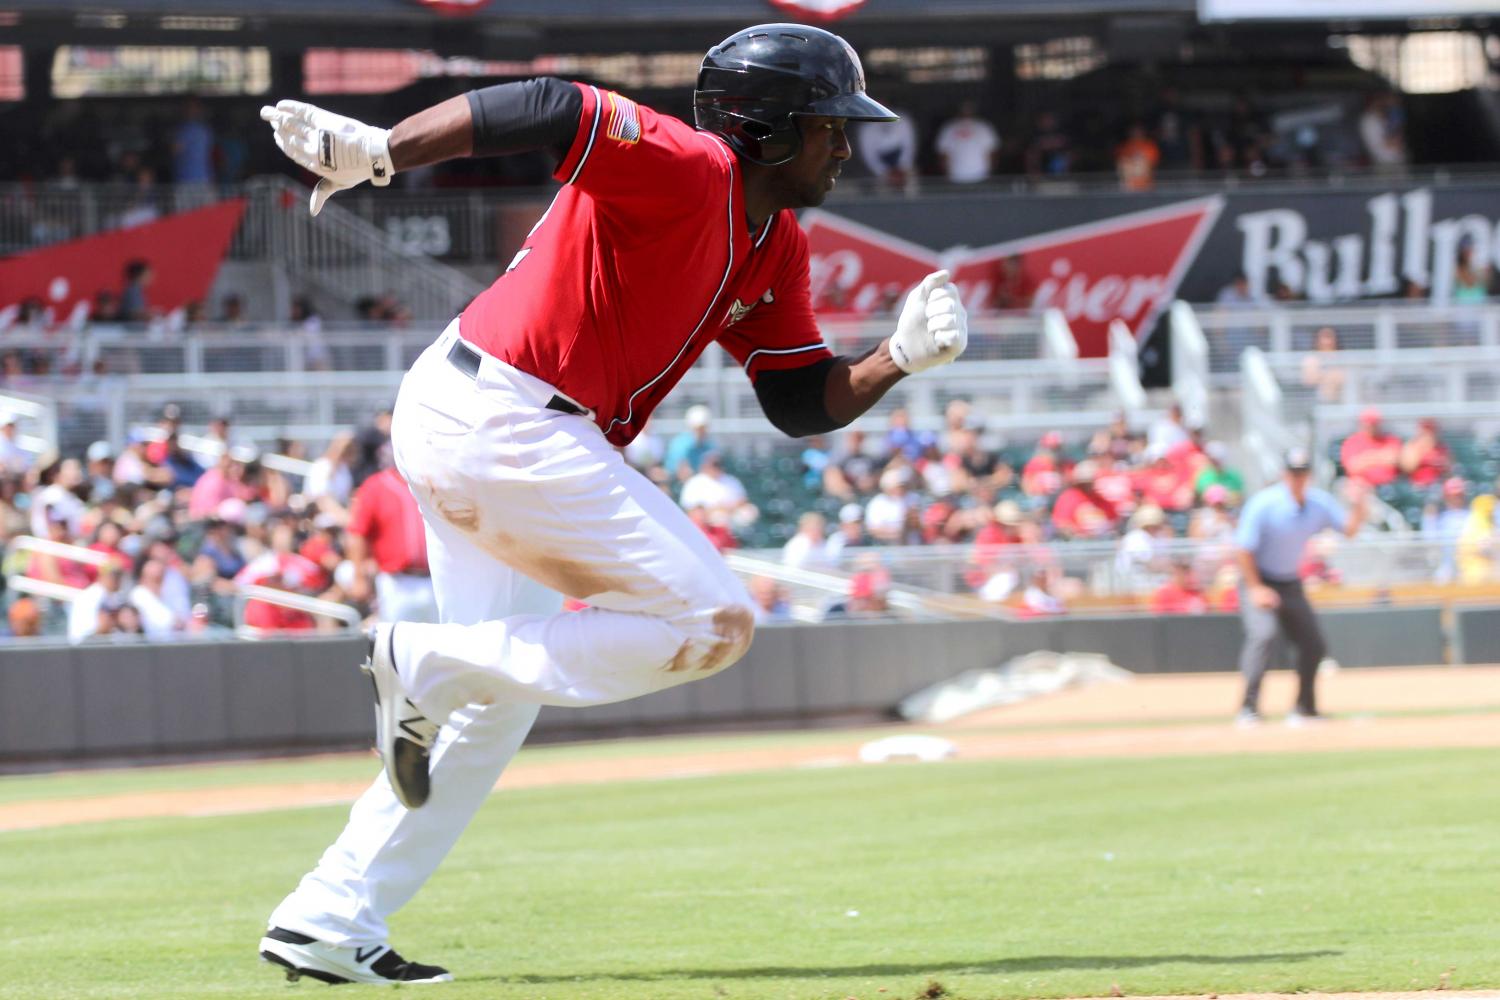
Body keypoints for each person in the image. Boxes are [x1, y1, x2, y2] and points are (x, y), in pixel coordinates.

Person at [255, 23, 967, 985]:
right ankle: (423, 660)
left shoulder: (775, 243)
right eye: (827, 124)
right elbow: (554, 105)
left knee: (492, 705)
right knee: (712, 618)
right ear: (761, 128)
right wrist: (385, 151)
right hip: (506, 415)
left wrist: (897, 360)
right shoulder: (692, 165)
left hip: (500, 423)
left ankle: (328, 917)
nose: (846, 144)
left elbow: (799, 400)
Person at [1233, 447, 1366, 727]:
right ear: (1284, 474)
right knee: (1264, 635)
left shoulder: (1318, 503)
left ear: (1309, 475)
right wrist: (1256, 588)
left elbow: (1349, 531)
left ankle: (1304, 709)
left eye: (1302, 473)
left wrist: (1359, 504)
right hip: (1256, 577)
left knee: (1314, 644)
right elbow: (1243, 550)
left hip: (1289, 582)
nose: (1298, 478)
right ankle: (1248, 709)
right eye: (1293, 473)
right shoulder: (1264, 503)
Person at [345, 460, 438, 625]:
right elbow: (357, 533)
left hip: (436, 580)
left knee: (441, 644)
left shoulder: (436, 483)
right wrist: (358, 576)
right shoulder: (376, 486)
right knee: (396, 643)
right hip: (397, 582)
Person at [934, 100, 999, 184]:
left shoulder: (984, 127)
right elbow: (942, 154)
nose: (966, 112)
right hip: (956, 177)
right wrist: (947, 175)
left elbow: (992, 153)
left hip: (980, 177)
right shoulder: (949, 128)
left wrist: (988, 174)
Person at [1339, 408, 1401, 488]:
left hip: (1390, 485)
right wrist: (1381, 456)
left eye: (1374, 424)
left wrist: (1365, 458)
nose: (1371, 427)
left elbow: (1394, 460)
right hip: (1363, 486)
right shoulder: (1352, 441)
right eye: (1368, 424)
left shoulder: (1390, 439)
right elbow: (1353, 466)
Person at [1114, 122, 1160, 192]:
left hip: (1146, 186)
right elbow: (1121, 165)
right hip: (1127, 187)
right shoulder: (1124, 147)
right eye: (1134, 131)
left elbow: (1150, 165)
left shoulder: (1150, 146)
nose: (1136, 133)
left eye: (1138, 130)